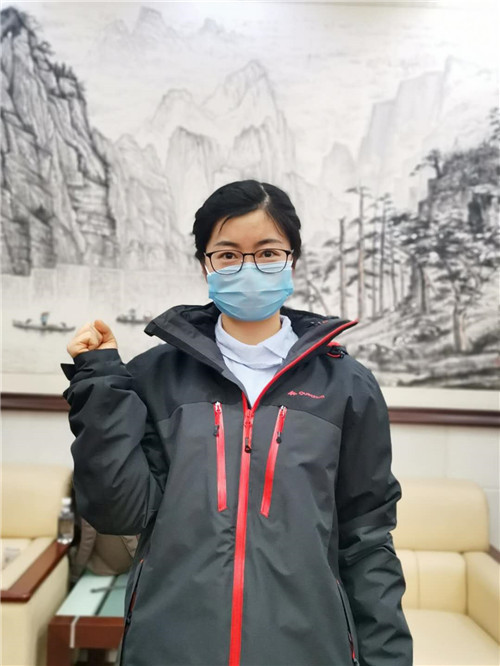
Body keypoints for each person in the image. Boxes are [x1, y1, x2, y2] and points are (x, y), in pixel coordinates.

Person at [61, 179, 413, 666]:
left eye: (267, 252)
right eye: (227, 254)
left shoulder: (346, 385)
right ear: (205, 264)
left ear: (292, 259)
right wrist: (99, 382)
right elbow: (116, 513)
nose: (248, 267)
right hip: (169, 649)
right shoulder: (153, 377)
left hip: (309, 649)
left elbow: (367, 542)